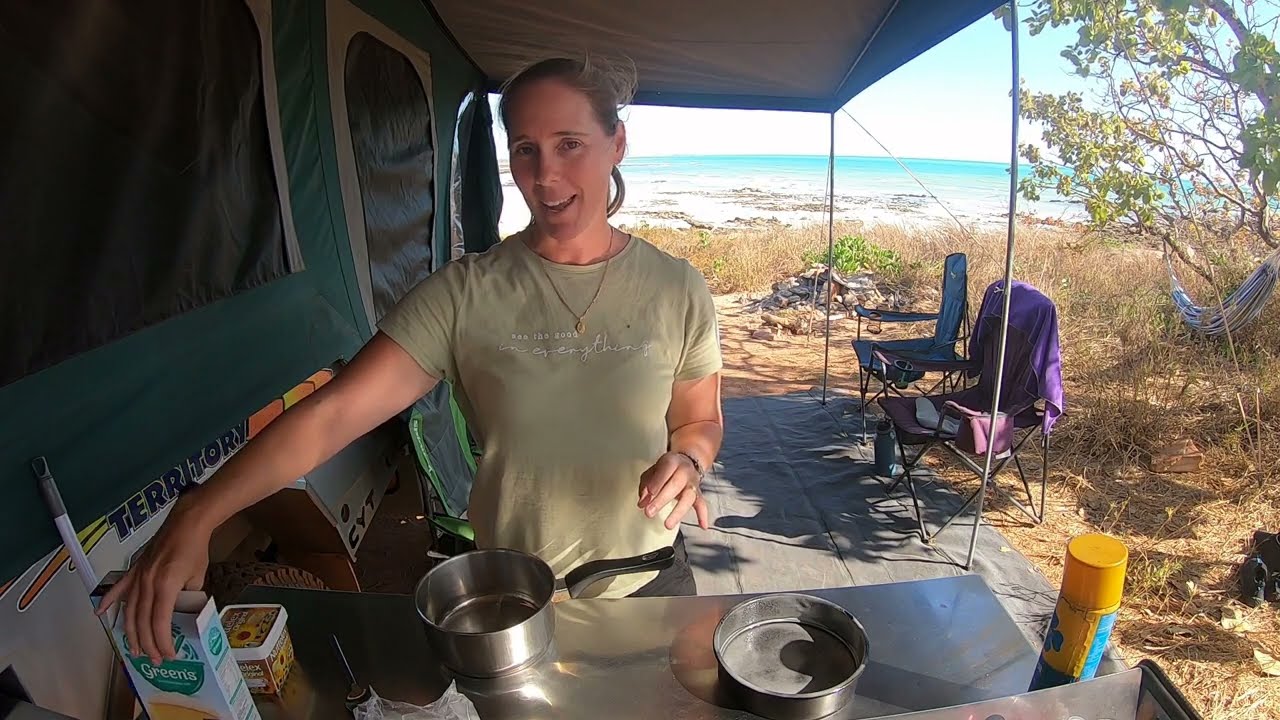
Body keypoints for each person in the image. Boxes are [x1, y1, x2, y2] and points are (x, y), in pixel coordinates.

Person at [99, 54, 724, 663]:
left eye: (570, 144)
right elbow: (335, 414)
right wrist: (200, 512)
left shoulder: (677, 287)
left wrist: (689, 457)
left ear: (616, 143)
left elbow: (698, 419)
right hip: (517, 598)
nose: (545, 175)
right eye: (525, 148)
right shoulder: (465, 294)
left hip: (652, 588)